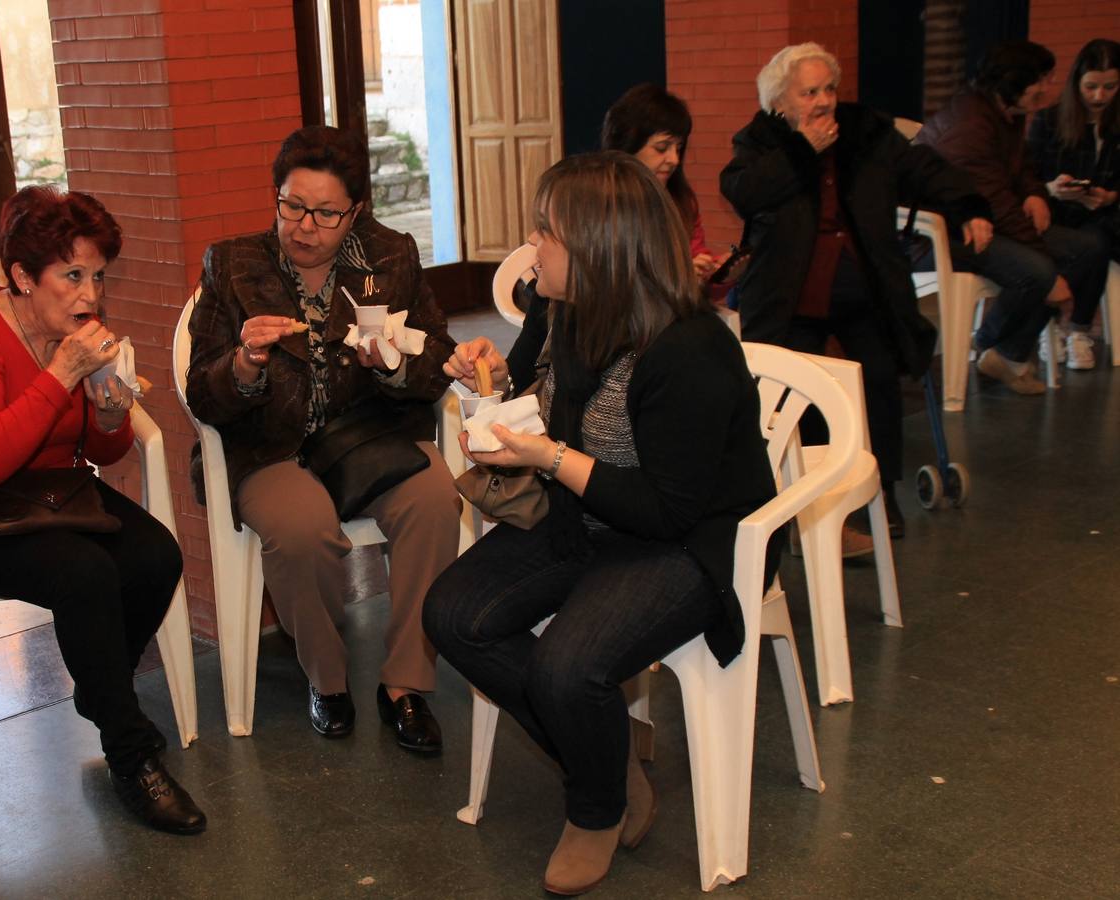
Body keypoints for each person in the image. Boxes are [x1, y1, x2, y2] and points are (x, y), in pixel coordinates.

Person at [426, 151, 780, 895]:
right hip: (587, 518)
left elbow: (665, 510)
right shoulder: (562, 311)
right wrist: (488, 375)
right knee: (454, 615)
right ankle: (601, 748)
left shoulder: (687, 347)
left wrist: (550, 457)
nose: (531, 244)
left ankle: (595, 807)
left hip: (687, 543)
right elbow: (532, 392)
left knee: (565, 666)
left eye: (545, 231)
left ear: (597, 249)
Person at [0, 186, 205, 835]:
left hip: (52, 494)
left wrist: (107, 405)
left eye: (97, 276)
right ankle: (131, 755)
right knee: (84, 572)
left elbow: (104, 450)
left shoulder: (74, 336)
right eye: (71, 276)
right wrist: (60, 374)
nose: (89, 295)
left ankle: (101, 692)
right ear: (20, 275)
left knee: (156, 556)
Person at [186, 125, 460, 751]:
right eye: (291, 205)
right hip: (269, 445)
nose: (304, 226)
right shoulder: (232, 263)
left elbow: (437, 355)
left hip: (367, 436)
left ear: (356, 211)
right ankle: (328, 680)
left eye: (326, 213)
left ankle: (405, 685)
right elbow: (201, 392)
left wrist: (391, 364)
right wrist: (246, 365)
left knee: (434, 501)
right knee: (302, 528)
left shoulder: (390, 258)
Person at [721, 42, 994, 540]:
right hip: (790, 293)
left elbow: (923, 169)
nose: (824, 101)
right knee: (803, 392)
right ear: (780, 101)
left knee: (879, 383)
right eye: (809, 92)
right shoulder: (760, 140)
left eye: (829, 89)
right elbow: (744, 192)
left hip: (866, 286)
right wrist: (804, 150)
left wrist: (969, 205)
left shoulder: (866, 131)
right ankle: (808, 501)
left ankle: (879, 494)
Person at [917, 41, 1110, 385]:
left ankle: (1006, 352)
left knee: (1088, 249)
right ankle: (987, 343)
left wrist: (1035, 195)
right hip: (947, 231)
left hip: (987, 221)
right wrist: (1053, 279)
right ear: (1015, 83)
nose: (1048, 87)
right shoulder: (970, 126)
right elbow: (995, 203)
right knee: (1037, 272)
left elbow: (1021, 169)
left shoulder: (1005, 112)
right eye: (1042, 80)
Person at [1027, 38, 1120, 369]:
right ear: (1076, 82)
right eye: (1091, 86)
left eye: (1110, 87)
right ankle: (1072, 327)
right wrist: (1053, 189)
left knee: (1101, 235)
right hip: (1058, 211)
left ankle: (1065, 326)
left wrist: (1112, 195)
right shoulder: (1048, 121)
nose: (1099, 96)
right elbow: (1026, 177)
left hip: (1105, 213)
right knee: (1095, 242)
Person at [601, 83, 721, 280]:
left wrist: (713, 271)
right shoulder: (600, 202)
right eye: (661, 148)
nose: (674, 159)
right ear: (629, 146)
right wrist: (678, 275)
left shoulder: (682, 200)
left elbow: (695, 258)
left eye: (678, 148)